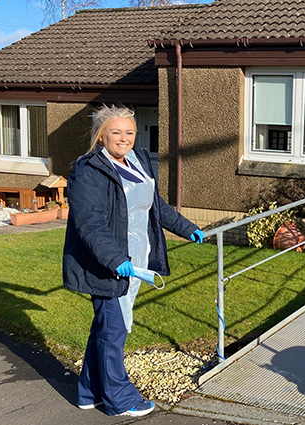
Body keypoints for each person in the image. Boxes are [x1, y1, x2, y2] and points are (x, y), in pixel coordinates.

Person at [62, 105, 205, 416]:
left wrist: (187, 227)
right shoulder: (88, 170)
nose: (123, 138)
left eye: (129, 132)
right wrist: (114, 259)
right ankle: (120, 399)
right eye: (116, 132)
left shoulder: (139, 160)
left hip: (137, 257)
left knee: (105, 328)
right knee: (114, 330)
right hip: (106, 263)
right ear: (101, 136)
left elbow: (156, 205)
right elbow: (90, 223)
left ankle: (89, 392)